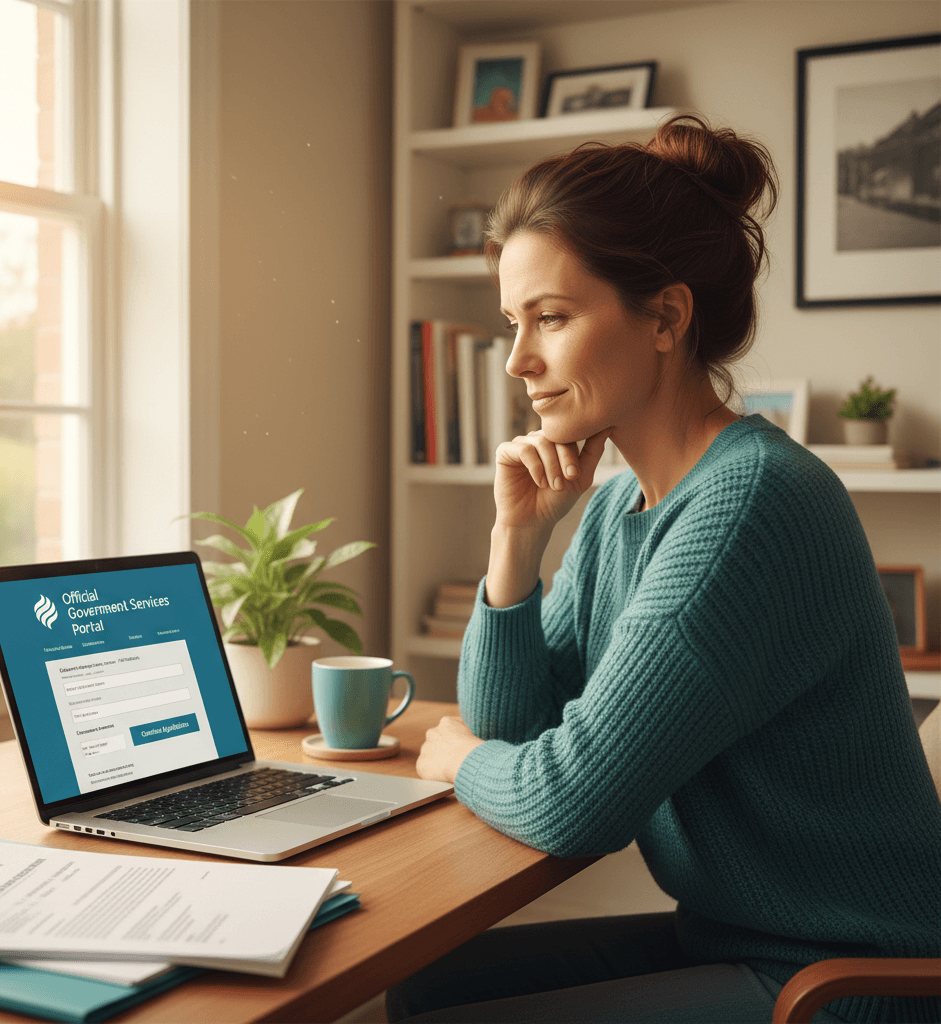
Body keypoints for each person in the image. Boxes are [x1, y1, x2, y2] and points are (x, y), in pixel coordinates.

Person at [388, 115, 941, 1023]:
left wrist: (459, 761)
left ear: (667, 318)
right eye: (512, 323)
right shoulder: (618, 507)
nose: (520, 361)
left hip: (848, 983)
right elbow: (514, 722)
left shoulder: (751, 504)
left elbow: (571, 803)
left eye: (552, 318)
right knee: (426, 983)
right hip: (737, 936)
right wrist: (514, 543)